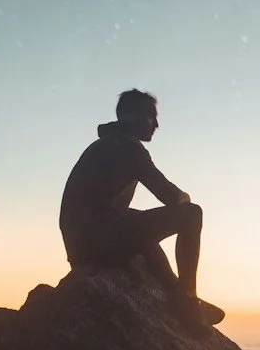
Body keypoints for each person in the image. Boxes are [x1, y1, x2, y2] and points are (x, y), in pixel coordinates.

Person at [59, 89, 224, 327]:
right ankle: (187, 299)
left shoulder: (107, 143)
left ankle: (177, 291)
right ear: (129, 115)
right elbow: (168, 194)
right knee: (191, 214)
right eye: (150, 116)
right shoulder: (128, 147)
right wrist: (185, 198)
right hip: (97, 240)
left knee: (138, 223)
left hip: (83, 243)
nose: (156, 124)